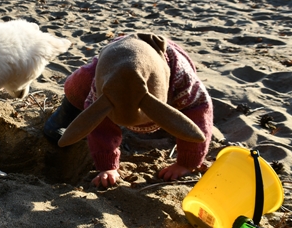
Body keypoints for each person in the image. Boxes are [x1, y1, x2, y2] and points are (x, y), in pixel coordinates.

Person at [44, 33, 213, 188]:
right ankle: (62, 117)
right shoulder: (99, 80)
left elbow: (200, 112)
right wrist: (107, 166)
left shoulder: (183, 80)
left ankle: (159, 120)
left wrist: (187, 162)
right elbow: (100, 123)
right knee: (78, 85)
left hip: (160, 76)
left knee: (184, 119)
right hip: (114, 61)